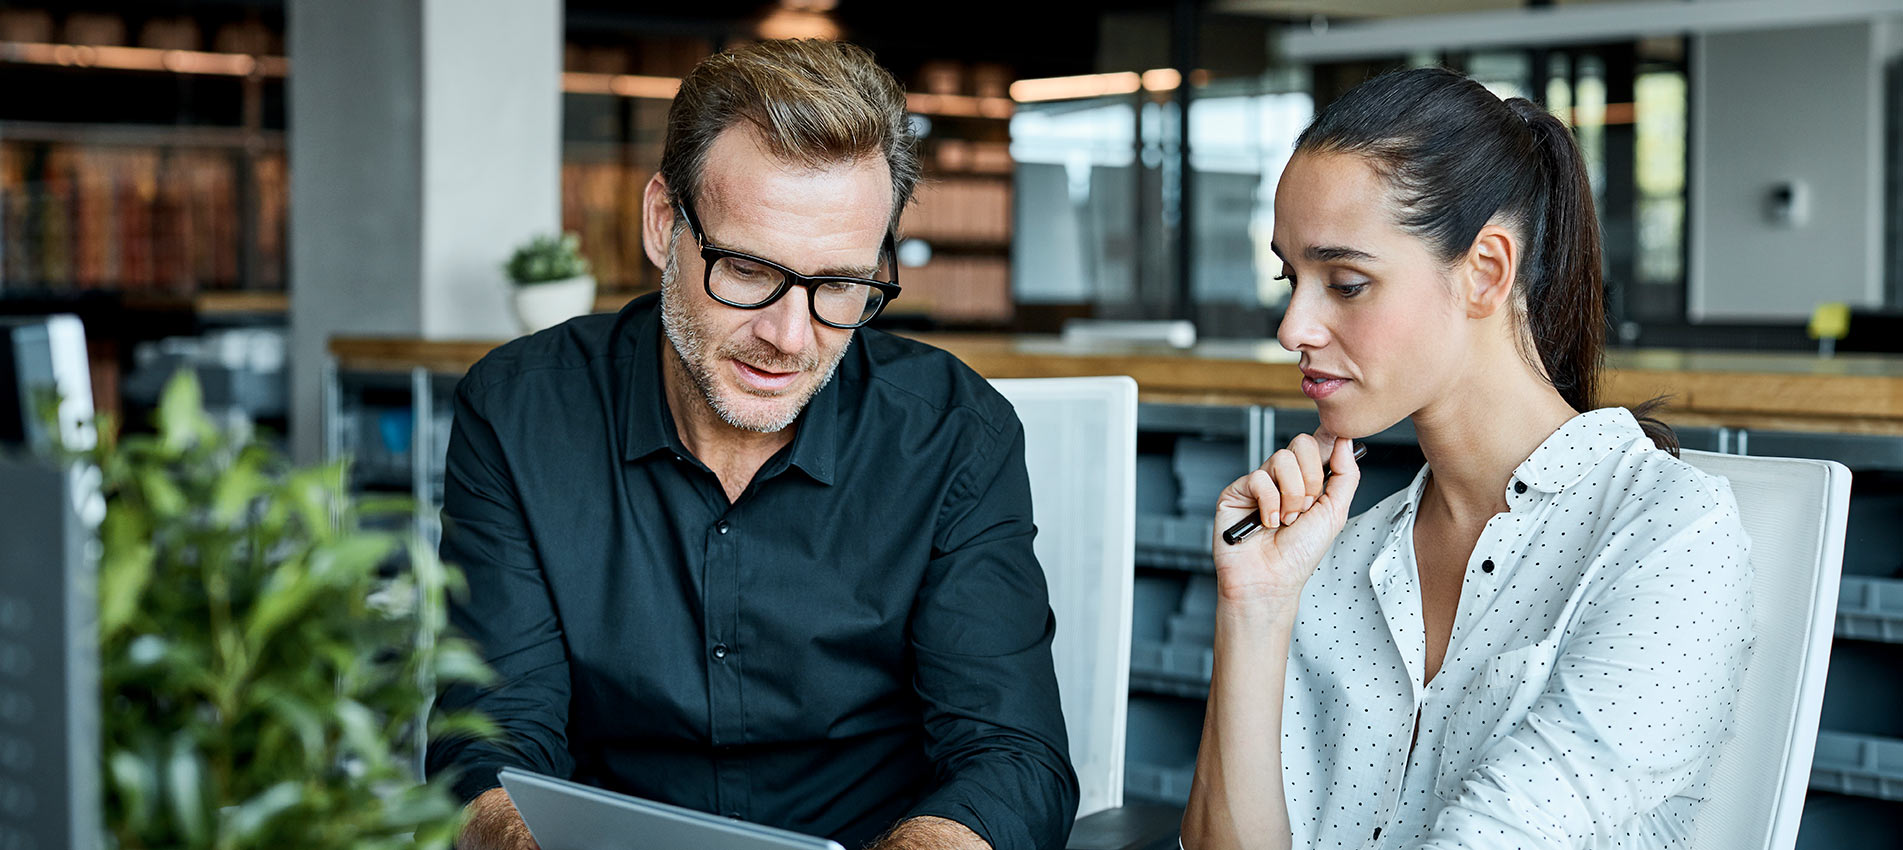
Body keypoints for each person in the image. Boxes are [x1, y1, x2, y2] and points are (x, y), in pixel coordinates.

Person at [425, 39, 1077, 850]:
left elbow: (1011, 757)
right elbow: (488, 741)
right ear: (665, 225)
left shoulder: (952, 436)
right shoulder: (520, 412)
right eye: (745, 269)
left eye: (839, 284)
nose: (789, 337)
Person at [1180, 67, 1752, 850]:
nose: (1291, 327)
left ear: (1484, 271)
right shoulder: (1335, 556)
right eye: (1290, 278)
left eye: (1344, 283)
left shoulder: (1667, 539)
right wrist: (1253, 610)